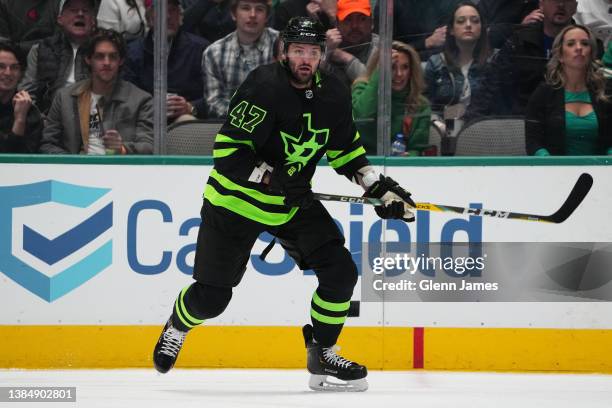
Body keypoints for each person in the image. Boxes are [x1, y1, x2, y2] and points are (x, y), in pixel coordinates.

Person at [152, 16, 416, 392]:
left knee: (340, 272)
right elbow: (227, 151)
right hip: (234, 201)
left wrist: (378, 188)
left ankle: (323, 351)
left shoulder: (334, 95)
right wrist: (273, 178)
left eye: (312, 52)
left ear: (322, 54)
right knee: (212, 299)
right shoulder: (263, 86)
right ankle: (178, 326)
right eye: (298, 51)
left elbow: (347, 153)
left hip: (290, 203)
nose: (305, 59)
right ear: (284, 53)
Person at [39, 28, 153, 154]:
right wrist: (73, 165)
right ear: (88, 59)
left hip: (119, 170)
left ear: (121, 61)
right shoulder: (64, 97)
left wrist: (122, 149)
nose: (107, 62)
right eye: (100, 56)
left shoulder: (141, 100)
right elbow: (48, 144)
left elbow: (149, 146)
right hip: (75, 170)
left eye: (113, 57)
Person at [474, 0, 581, 116]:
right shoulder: (519, 42)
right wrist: (471, 123)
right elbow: (492, 85)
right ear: (541, 5)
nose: (560, 5)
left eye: (567, 0)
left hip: (571, 120)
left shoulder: (586, 46)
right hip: (522, 122)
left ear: (575, 7)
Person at [526, 25, 612, 155]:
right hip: (555, 171)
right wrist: (548, 162)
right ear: (560, 55)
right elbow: (533, 142)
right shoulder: (544, 93)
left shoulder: (605, 92)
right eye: (571, 44)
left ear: (591, 54)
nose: (578, 48)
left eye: (584, 43)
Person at [123, 0, 208, 121]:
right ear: (149, 18)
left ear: (180, 16)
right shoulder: (132, 53)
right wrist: (150, 105)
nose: (167, 17)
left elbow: (213, 96)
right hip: (145, 120)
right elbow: (126, 96)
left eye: (172, 10)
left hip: (186, 122)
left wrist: (191, 107)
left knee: (186, 121)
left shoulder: (200, 49)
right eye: (161, 10)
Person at [18, 0, 98, 115]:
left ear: (93, 20)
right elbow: (26, 93)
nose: (80, 14)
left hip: (93, 118)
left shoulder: (103, 50)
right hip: (50, 121)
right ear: (60, 19)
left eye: (85, 11)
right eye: (73, 10)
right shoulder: (41, 49)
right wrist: (40, 121)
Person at [352, 41, 431, 156]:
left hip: (400, 168)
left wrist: (408, 158)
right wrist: (379, 73)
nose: (399, 74)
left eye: (405, 67)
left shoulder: (420, 105)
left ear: (412, 71)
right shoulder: (361, 88)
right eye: (392, 67)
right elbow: (362, 117)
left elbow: (417, 149)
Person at [202, 0, 278, 118]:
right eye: (246, 8)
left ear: (267, 16)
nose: (252, 14)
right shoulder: (214, 52)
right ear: (233, 14)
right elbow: (214, 103)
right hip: (231, 127)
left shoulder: (284, 46)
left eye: (259, 9)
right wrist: (246, 117)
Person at [424, 1, 492, 131]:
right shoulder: (436, 63)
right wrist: (440, 126)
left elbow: (496, 110)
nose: (468, 25)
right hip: (442, 134)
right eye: (461, 21)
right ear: (451, 30)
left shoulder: (493, 63)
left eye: (475, 21)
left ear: (482, 28)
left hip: (483, 134)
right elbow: (425, 107)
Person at [372, 0, 460, 61]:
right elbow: (384, 49)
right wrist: (426, 43)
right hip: (399, 66)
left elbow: (446, 43)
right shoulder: (389, 3)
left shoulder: (445, 3)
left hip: (436, 63)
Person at [322, 0, 378, 89]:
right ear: (337, 24)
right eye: (348, 19)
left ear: (372, 23)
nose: (354, 26)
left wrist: (347, 59)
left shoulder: (381, 48)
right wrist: (326, 53)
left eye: (362, 19)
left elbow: (375, 89)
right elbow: (313, 83)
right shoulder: (328, 44)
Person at [0, 41, 43, 153]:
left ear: (21, 73)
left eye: (14, 68)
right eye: (1, 66)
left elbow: (22, 162)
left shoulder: (30, 112)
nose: (8, 73)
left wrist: (20, 120)